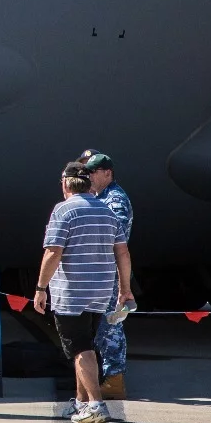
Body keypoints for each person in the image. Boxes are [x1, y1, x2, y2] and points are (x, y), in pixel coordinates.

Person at [34, 162, 133, 423]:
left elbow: (53, 252)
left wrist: (40, 288)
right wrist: (125, 289)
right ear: (89, 183)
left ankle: (95, 404)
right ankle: (80, 403)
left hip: (72, 293)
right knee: (85, 345)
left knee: (80, 349)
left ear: (65, 183)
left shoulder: (63, 211)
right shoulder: (107, 212)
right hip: (100, 292)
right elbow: (122, 252)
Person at [79, 150, 133, 399]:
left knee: (110, 326)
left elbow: (115, 237)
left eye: (93, 172)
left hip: (108, 272)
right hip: (99, 271)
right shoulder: (101, 196)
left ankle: (114, 379)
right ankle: (107, 377)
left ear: (107, 173)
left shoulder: (115, 200)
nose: (88, 176)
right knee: (100, 326)